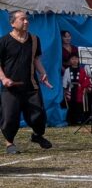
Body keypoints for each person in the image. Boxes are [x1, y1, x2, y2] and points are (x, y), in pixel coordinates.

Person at [0, 10, 54, 154]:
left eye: (27, 19)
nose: (26, 22)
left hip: (31, 85)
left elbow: (36, 60)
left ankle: (37, 136)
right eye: (22, 19)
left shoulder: (34, 40)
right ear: (12, 23)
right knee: (9, 117)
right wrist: (4, 79)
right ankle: (10, 143)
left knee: (38, 115)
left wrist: (43, 73)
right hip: (10, 88)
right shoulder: (3, 41)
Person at [62, 52, 91, 125]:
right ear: (69, 60)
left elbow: (85, 80)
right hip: (71, 89)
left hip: (80, 90)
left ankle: (80, 120)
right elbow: (65, 81)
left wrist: (85, 88)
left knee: (80, 105)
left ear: (78, 60)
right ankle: (72, 121)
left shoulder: (82, 70)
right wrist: (64, 89)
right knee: (71, 105)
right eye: (72, 59)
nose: (74, 60)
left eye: (76, 59)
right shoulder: (67, 70)